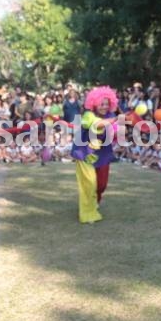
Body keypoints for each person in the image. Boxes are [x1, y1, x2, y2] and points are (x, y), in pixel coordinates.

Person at [71, 86, 123, 224]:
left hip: (103, 154)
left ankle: (95, 203)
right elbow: (97, 125)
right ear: (94, 103)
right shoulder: (88, 115)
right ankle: (87, 213)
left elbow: (114, 133)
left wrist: (118, 133)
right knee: (89, 184)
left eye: (107, 104)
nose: (104, 107)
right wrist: (116, 119)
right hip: (85, 153)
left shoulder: (111, 117)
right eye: (101, 103)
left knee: (101, 185)